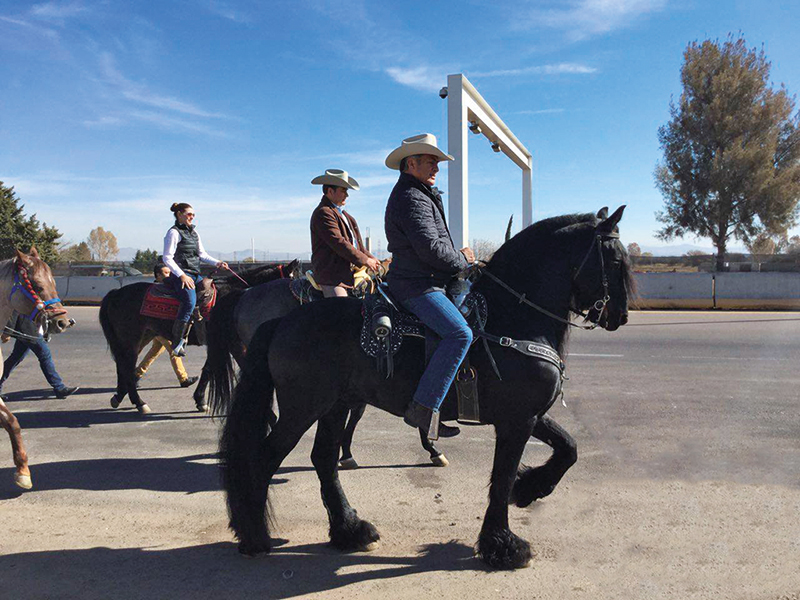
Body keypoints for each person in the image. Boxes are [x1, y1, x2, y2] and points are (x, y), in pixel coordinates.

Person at [384, 133, 476, 440]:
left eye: (437, 162)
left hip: (425, 280)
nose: (436, 168)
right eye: (431, 161)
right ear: (411, 163)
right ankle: (423, 407)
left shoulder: (420, 193)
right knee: (459, 333)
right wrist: (462, 260)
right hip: (416, 285)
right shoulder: (412, 197)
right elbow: (430, 249)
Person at [163, 202, 228, 356]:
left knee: (214, 291)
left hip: (195, 274)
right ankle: (177, 341)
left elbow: (202, 255)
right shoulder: (173, 233)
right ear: (179, 214)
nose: (192, 217)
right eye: (189, 214)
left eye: (193, 214)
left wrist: (217, 263)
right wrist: (182, 275)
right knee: (190, 302)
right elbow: (167, 258)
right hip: (180, 274)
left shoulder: (194, 233)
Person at [310, 169, 381, 298]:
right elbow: (339, 243)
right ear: (330, 191)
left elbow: (358, 245)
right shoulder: (323, 213)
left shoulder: (346, 216)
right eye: (343, 191)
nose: (347, 195)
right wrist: (365, 261)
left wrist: (372, 258)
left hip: (347, 273)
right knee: (342, 310)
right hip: (332, 276)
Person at [134, 262, 199, 388]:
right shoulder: (156, 290)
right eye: (166, 273)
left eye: (170, 273)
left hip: (162, 326)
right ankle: (183, 378)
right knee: (173, 349)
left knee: (155, 351)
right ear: (158, 275)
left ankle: (136, 374)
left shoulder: (168, 289)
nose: (169, 275)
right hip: (158, 326)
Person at [0, 313, 79, 399]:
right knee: (45, 356)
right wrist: (8, 332)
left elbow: (49, 311)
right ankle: (59, 388)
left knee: (15, 358)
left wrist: (62, 322)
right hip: (28, 330)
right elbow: (14, 310)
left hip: (31, 329)